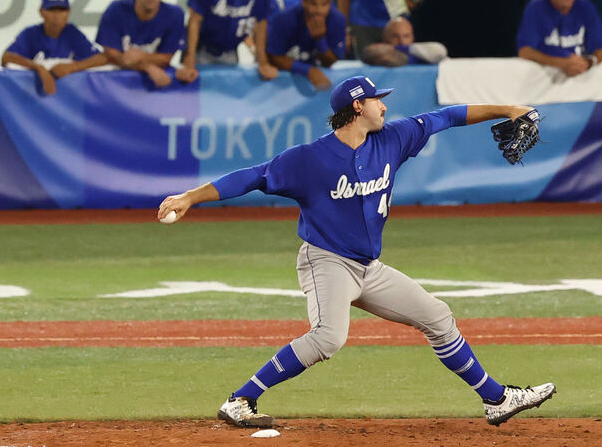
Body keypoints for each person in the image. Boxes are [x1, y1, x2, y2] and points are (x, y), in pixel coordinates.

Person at [157, 75, 556, 429]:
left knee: (438, 317)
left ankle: (498, 400)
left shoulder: (394, 138)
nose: (384, 105)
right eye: (377, 99)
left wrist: (507, 109)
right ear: (357, 107)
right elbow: (253, 176)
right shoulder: (309, 159)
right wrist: (191, 197)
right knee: (329, 338)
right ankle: (240, 401)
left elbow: (447, 116)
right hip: (325, 260)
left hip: (369, 268)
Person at [1, 0, 107, 96]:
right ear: (41, 12)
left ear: (69, 12)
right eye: (51, 10)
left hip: (70, 100)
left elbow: (102, 58)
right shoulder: (31, 34)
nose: (57, 16)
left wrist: (74, 67)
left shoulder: (72, 33)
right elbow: (6, 57)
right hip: (32, 99)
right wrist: (38, 68)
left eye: (62, 10)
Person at [98, 0, 186, 89]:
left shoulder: (174, 15)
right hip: (116, 79)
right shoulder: (116, 10)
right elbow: (111, 55)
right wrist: (147, 67)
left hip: (155, 78)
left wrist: (138, 56)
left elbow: (166, 58)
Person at [516, 0, 602, 76]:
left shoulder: (586, 7)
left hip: (581, 74)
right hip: (546, 77)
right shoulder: (535, 9)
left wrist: (588, 63)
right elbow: (525, 52)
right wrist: (561, 63)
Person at [265, 0, 347, 90]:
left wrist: (320, 40)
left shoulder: (338, 21)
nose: (319, 10)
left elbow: (329, 62)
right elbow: (274, 57)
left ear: (330, 2)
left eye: (324, 4)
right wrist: (309, 71)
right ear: (304, 2)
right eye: (314, 4)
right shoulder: (284, 20)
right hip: (281, 86)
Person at [362, 16, 449, 66]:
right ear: (385, 38)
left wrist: (406, 49)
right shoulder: (379, 53)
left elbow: (440, 51)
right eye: (395, 36)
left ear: (412, 37)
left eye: (406, 36)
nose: (401, 41)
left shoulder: (422, 53)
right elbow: (368, 54)